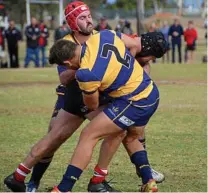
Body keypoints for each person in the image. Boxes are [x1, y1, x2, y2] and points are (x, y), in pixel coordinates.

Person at [4, 2, 165, 192]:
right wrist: (87, 67)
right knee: (58, 137)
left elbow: (134, 46)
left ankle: (20, 176)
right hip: (77, 93)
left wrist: (132, 67)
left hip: (98, 93)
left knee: (122, 131)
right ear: (73, 23)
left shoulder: (102, 34)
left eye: (89, 15)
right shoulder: (67, 44)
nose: (89, 20)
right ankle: (36, 181)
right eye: (82, 18)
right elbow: (64, 78)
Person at [48, 29, 166, 192]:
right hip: (151, 92)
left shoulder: (86, 73)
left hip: (135, 101)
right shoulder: (104, 35)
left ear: (67, 63)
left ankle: (63, 188)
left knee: (88, 135)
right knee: (131, 137)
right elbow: (132, 44)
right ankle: (148, 181)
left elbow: (93, 105)